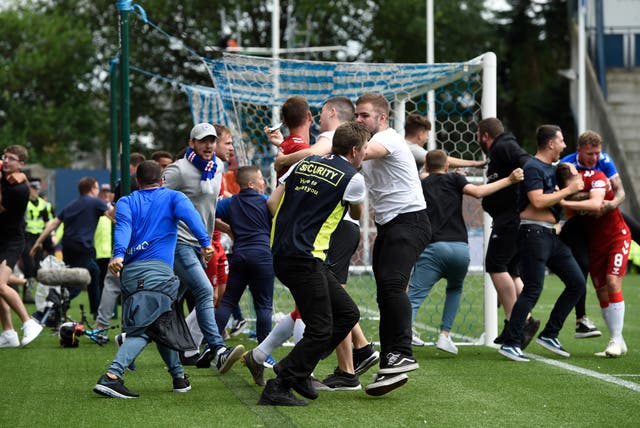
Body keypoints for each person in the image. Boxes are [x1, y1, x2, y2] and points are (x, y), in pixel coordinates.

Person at [249, 97, 379, 391]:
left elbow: (275, 201)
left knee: (347, 314)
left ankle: (296, 372)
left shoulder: (305, 163)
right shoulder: (353, 179)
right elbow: (357, 214)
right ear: (356, 150)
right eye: (366, 150)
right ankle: (283, 382)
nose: (366, 155)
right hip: (305, 258)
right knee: (321, 328)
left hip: (284, 252)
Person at [93, 160, 213, 398]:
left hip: (130, 274)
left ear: (137, 182)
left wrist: (118, 255)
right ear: (162, 180)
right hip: (157, 275)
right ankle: (112, 376)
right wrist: (205, 243)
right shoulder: (173, 197)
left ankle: (178, 377)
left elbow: (123, 228)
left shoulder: (126, 201)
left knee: (161, 321)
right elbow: (193, 218)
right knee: (149, 326)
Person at [408, 149, 524, 355]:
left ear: (426, 167)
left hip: (434, 248)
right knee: (454, 289)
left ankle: (403, 333)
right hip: (461, 249)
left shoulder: (421, 182)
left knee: (415, 295)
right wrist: (510, 179)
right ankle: (445, 335)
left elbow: (426, 178)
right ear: (446, 166)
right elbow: (479, 192)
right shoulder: (454, 179)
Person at [354, 93, 431, 395]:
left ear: (382, 118)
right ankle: (391, 361)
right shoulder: (372, 143)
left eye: (364, 116)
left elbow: (356, 151)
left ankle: (402, 352)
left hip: (408, 221)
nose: (359, 120)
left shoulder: (388, 138)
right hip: (389, 224)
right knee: (385, 294)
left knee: (392, 287)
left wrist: (309, 148)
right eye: (356, 116)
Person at [498, 125, 586, 362]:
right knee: (533, 289)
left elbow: (560, 198)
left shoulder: (553, 169)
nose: (565, 145)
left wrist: (576, 186)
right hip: (533, 234)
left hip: (550, 236)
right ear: (550, 143)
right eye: (562, 140)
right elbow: (537, 201)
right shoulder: (533, 167)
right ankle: (511, 342)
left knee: (578, 283)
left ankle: (549, 334)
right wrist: (568, 190)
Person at [163, 122, 244, 372]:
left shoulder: (216, 167)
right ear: (192, 144)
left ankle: (134, 336)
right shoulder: (177, 170)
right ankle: (218, 348)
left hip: (201, 244)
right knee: (205, 291)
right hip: (180, 242)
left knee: (169, 302)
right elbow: (157, 201)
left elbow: (209, 207)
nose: (208, 145)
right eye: (203, 141)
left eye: (211, 140)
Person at [559, 130, 639, 338]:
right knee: (582, 265)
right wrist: (596, 193)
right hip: (578, 220)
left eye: (597, 153)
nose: (594, 158)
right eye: (590, 154)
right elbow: (566, 193)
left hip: (606, 212)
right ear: (579, 151)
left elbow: (620, 192)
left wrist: (610, 203)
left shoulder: (604, 161)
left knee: (635, 230)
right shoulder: (567, 165)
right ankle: (581, 319)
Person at [477, 117, 540, 347]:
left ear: (484, 135)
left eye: (478, 136)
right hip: (509, 218)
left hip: (510, 219)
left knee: (495, 265)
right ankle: (525, 320)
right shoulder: (499, 151)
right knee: (512, 271)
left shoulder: (504, 145)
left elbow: (528, 164)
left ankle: (515, 324)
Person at [556, 162, 630, 357]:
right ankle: (618, 340)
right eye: (574, 175)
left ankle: (615, 339)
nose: (579, 176)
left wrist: (564, 202)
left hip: (616, 236)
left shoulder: (595, 176)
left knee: (613, 281)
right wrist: (570, 196)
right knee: (601, 292)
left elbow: (596, 204)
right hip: (596, 244)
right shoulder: (567, 189)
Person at [31, 177, 114, 319]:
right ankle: (53, 306)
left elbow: (53, 224)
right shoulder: (96, 202)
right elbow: (112, 216)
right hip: (83, 247)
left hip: (68, 247)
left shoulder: (71, 205)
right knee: (78, 281)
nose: (98, 190)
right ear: (93, 189)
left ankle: (59, 309)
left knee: (92, 273)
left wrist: (38, 241)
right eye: (97, 188)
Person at [214, 166, 274, 349]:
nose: (263, 182)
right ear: (251, 184)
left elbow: (207, 214)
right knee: (263, 306)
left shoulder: (231, 203)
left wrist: (228, 229)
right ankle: (263, 350)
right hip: (263, 257)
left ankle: (213, 343)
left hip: (239, 256)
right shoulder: (266, 202)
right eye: (260, 179)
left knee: (228, 301)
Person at [0, 145, 43, 348]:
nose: (6, 161)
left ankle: (29, 322)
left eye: (11, 158)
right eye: (4, 157)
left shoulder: (18, 189)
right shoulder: (8, 177)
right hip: (1, 239)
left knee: (0, 285)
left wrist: (23, 179)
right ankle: (8, 332)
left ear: (21, 164)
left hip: (12, 242)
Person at [404, 113, 486, 177]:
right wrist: (475, 164)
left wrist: (449, 175)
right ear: (420, 134)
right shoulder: (411, 149)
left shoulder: (404, 146)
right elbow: (439, 160)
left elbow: (421, 176)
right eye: (427, 134)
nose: (427, 138)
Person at [20, 179, 55, 303]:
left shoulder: (43, 204)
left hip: (39, 238)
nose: (35, 191)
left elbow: (47, 222)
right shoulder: (24, 202)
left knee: (37, 266)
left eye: (37, 189)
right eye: (33, 189)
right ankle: (27, 292)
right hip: (26, 236)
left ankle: (34, 293)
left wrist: (51, 236)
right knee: (29, 264)